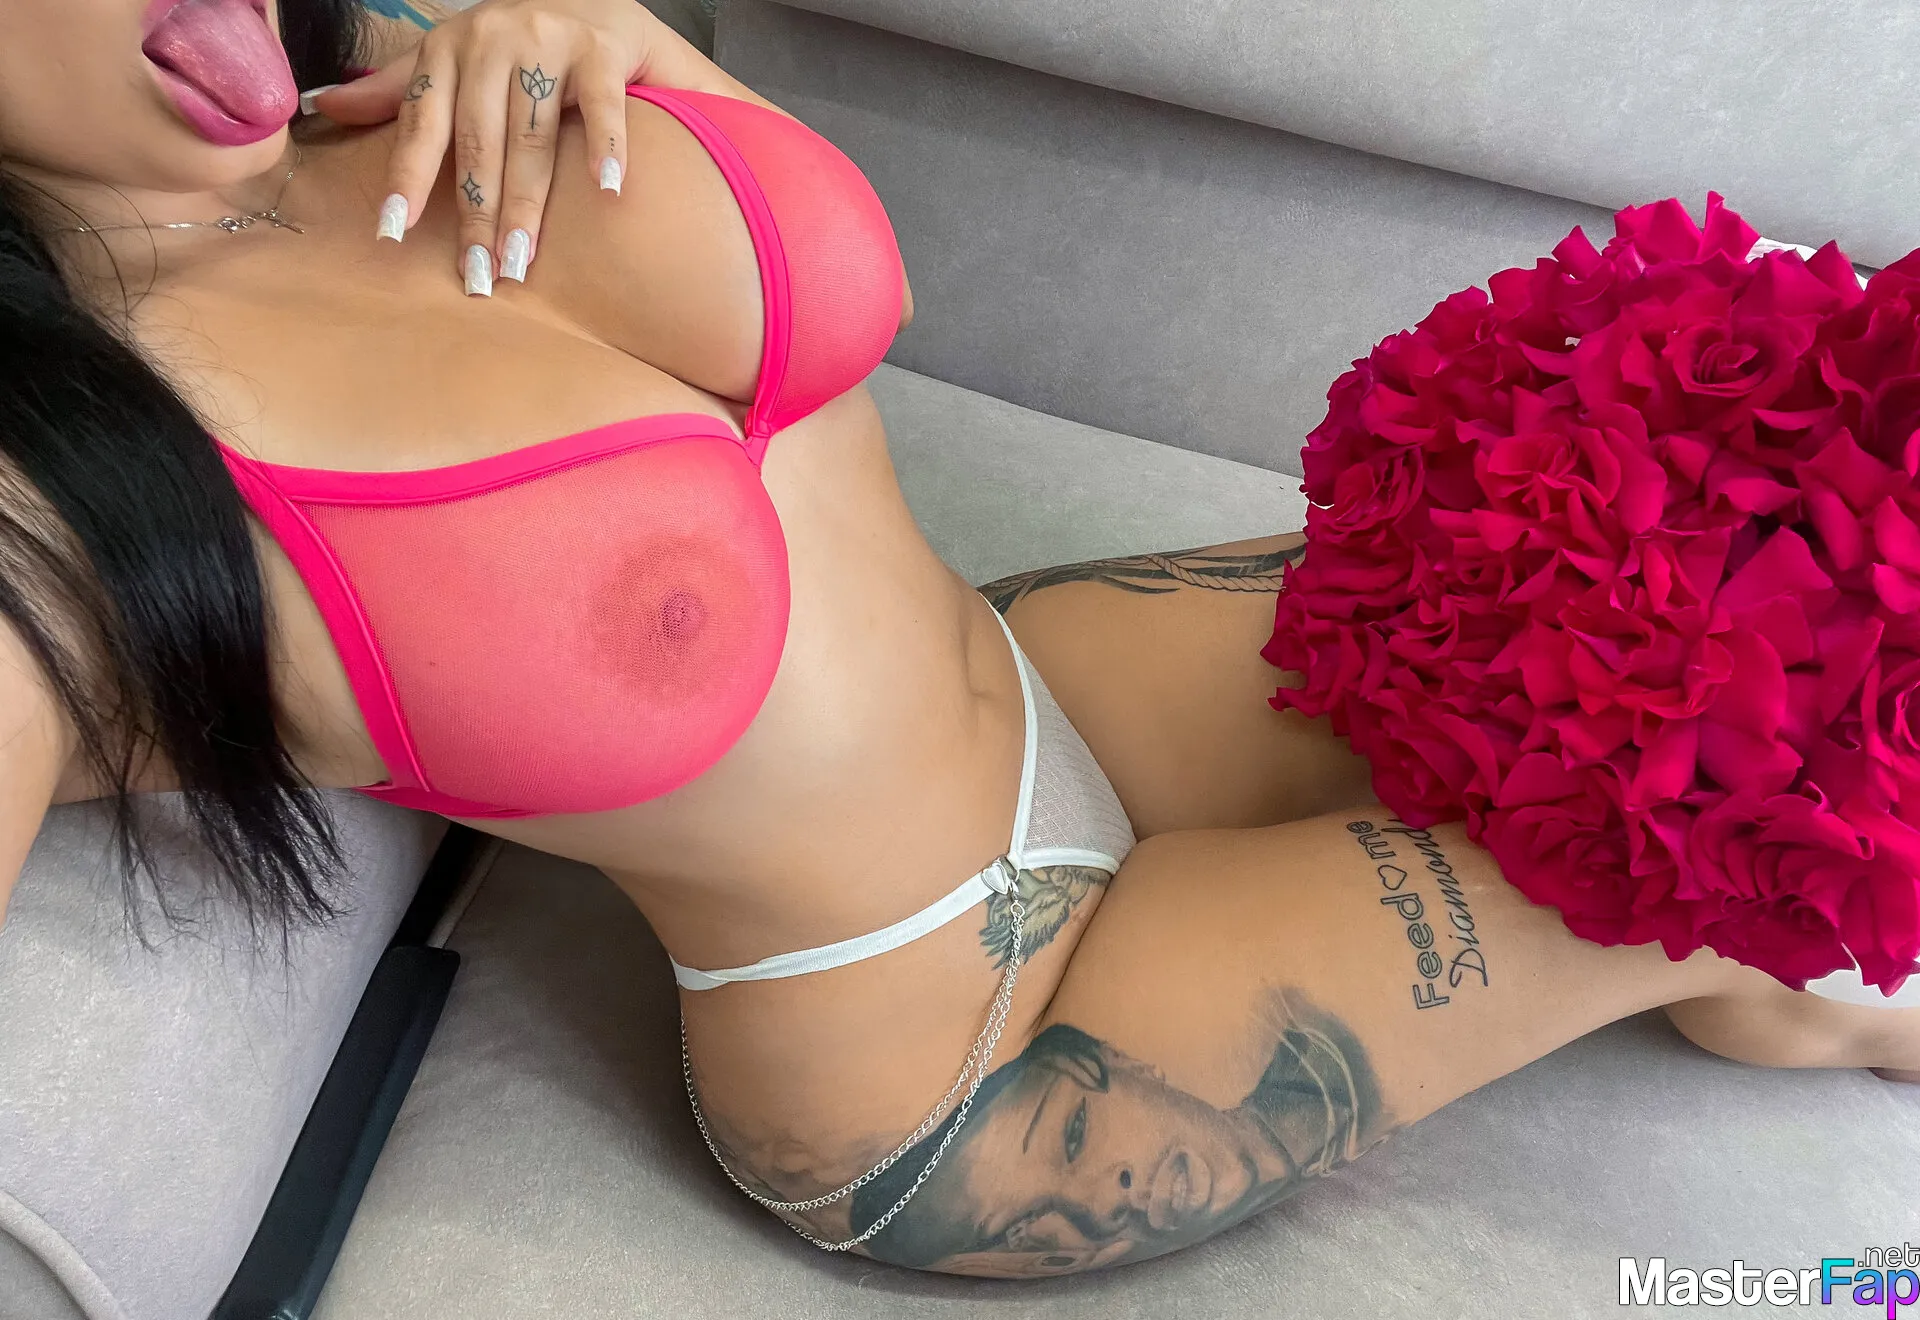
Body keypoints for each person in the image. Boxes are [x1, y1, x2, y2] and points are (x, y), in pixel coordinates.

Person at [0, 0, 1911, 1278]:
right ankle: (1787, 1001)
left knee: (1701, 560)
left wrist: (628, 50)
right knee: (1733, 806)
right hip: (981, 1052)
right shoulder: (40, 506)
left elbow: (805, 298)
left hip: (1050, 675)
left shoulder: (379, 69)